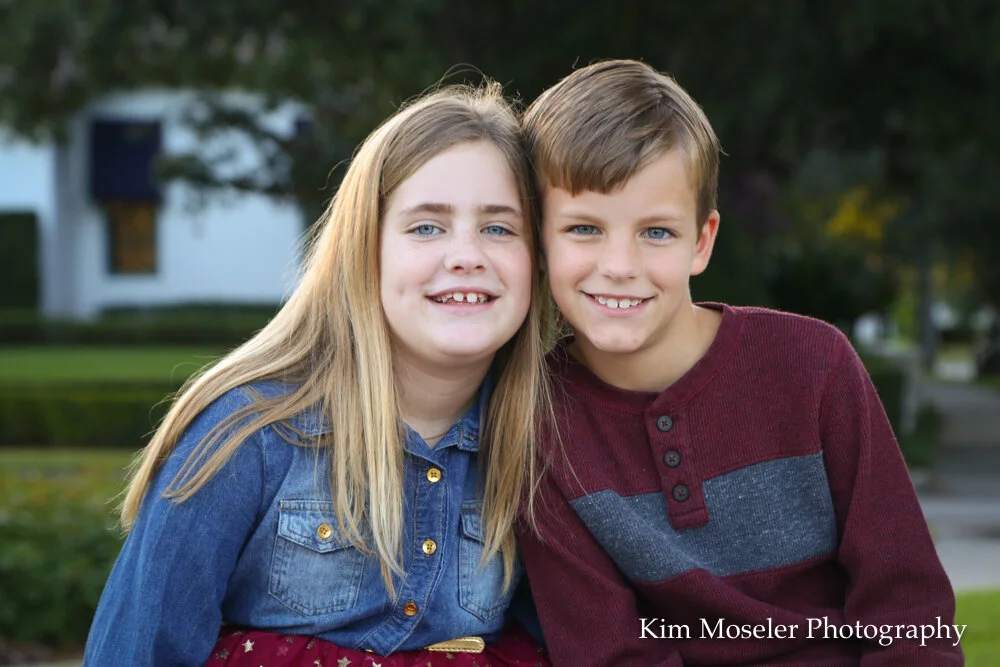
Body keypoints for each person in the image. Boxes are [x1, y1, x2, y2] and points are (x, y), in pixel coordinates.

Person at [83, 82, 554, 667]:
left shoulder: (543, 449)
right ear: (365, 250)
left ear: (538, 259)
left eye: (499, 228)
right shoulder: (248, 433)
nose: (466, 255)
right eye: (426, 227)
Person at [515, 59, 963, 666]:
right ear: (540, 240)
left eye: (656, 232)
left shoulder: (813, 364)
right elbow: (610, 654)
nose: (619, 266)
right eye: (584, 228)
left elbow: (909, 613)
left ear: (702, 241)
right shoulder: (536, 423)